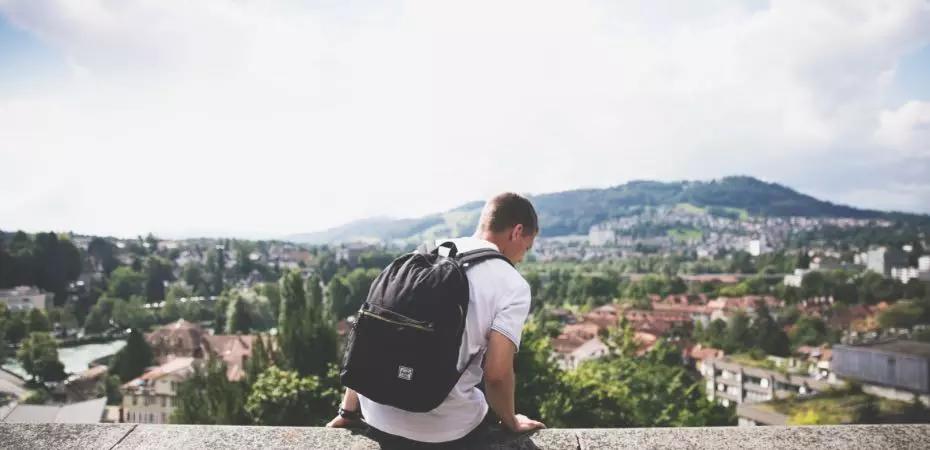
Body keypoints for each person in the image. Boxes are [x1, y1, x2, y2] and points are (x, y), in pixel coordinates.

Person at [327, 192, 546, 447]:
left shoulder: (423, 252)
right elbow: (497, 375)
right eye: (526, 248)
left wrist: (348, 411)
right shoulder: (512, 284)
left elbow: (375, 331)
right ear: (517, 231)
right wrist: (512, 421)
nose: (521, 257)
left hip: (376, 414)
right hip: (445, 430)